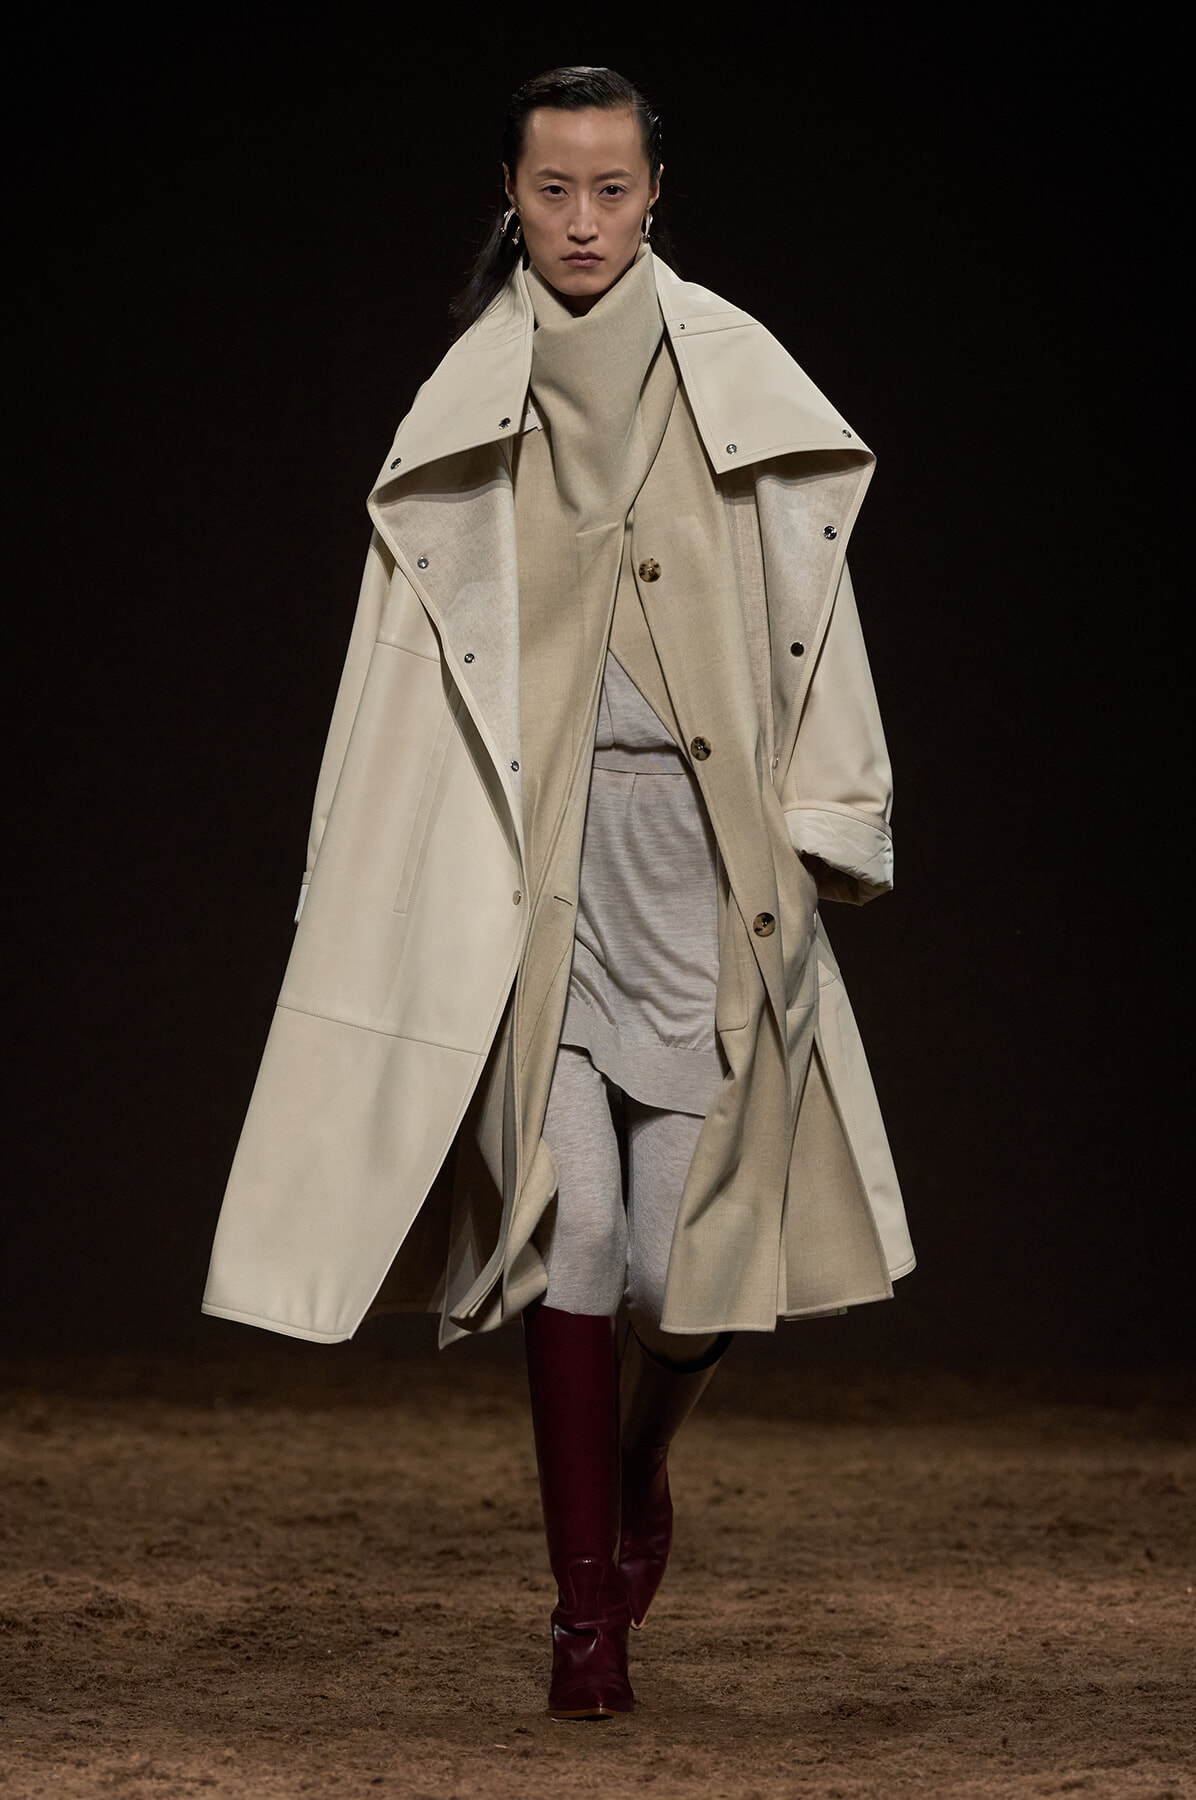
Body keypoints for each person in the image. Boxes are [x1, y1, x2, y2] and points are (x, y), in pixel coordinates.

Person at [202, 65, 915, 1721]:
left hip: (705, 881)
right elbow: (391, 666)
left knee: (679, 1271)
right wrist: (352, 864)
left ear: (656, 192)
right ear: (512, 199)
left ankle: (641, 1468)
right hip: (533, 883)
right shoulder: (467, 398)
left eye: (610, 188)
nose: (582, 221)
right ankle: (584, 1615)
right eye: (552, 190)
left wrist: (836, 812)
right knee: (569, 1229)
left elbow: (813, 600)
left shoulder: (736, 372)